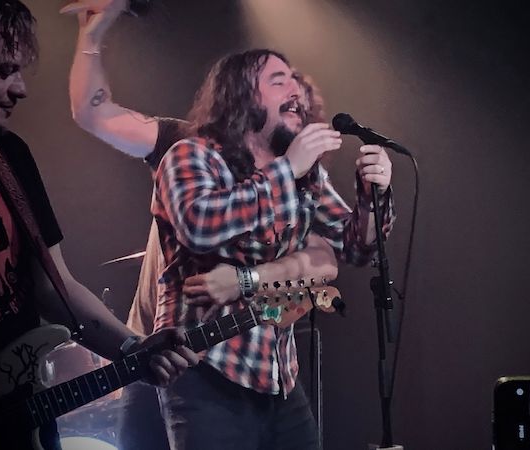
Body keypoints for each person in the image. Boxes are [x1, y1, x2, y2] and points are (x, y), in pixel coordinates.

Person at [63, 1, 340, 449]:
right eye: (276, 81)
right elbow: (94, 113)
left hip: (248, 357)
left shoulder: (295, 170)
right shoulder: (185, 143)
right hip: (158, 341)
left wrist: (250, 279)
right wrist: (92, 35)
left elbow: (325, 257)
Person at [0, 2, 199, 449]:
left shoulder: (10, 157)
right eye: (4, 70)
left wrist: (132, 348)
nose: (20, 88)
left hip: (21, 416)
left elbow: (54, 287)